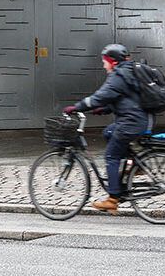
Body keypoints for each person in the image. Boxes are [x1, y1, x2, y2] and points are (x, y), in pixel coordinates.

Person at [64, 43, 151, 213]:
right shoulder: (127, 72)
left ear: (112, 61)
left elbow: (100, 96)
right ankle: (135, 165)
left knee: (111, 155)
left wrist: (77, 107)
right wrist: (102, 110)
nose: (103, 65)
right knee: (108, 132)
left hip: (130, 122)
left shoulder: (118, 76)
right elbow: (124, 99)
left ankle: (113, 198)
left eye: (105, 61)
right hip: (135, 120)